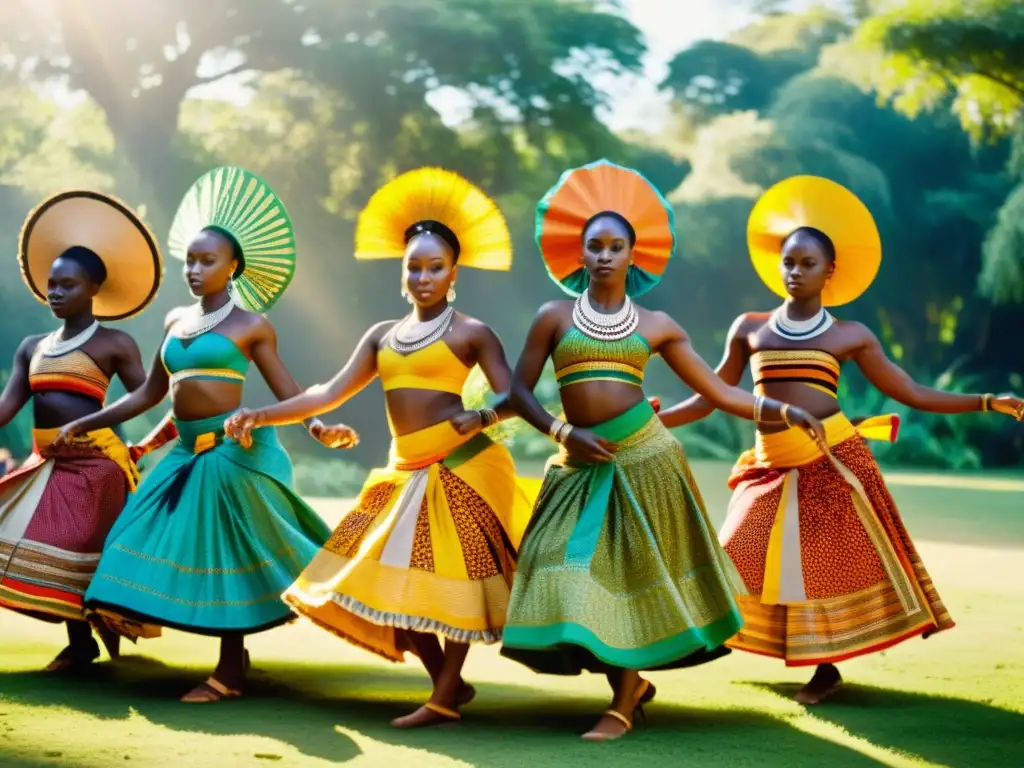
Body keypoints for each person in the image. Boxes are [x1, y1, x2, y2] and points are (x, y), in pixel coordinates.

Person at [658, 175, 1024, 705]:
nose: (795, 271)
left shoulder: (850, 335)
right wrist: (652, 421)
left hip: (830, 461)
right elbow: (712, 394)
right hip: (771, 463)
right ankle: (709, 641)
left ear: (830, 271)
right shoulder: (750, 327)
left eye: (807, 263)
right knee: (735, 550)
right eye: (788, 261)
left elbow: (913, 392)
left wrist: (989, 401)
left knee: (821, 569)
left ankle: (824, 669)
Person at [500, 160, 827, 742]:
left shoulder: (657, 324)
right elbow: (518, 390)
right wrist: (561, 432)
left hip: (646, 461)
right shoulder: (552, 317)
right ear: (579, 254)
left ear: (633, 256)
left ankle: (623, 701)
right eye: (594, 246)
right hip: (577, 464)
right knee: (560, 569)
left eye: (615, 246)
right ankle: (632, 686)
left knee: (626, 579)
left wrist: (785, 410)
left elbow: (720, 391)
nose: (603, 255)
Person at [225, 167, 534, 728]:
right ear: (401, 272)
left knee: (457, 581)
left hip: (461, 465)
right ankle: (451, 682)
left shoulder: (472, 332)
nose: (422, 276)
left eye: (434, 267)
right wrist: (259, 412)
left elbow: (517, 394)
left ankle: (442, 698)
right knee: (381, 580)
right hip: (402, 469)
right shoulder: (381, 335)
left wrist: (481, 415)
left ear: (453, 272)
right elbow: (326, 392)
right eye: (413, 267)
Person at [53, 166, 357, 702]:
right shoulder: (174, 321)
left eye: (206, 261)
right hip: (183, 455)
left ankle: (230, 673)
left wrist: (318, 424)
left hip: (235, 453)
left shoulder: (251, 324)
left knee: (227, 560)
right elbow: (150, 393)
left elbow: (289, 387)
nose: (194, 270)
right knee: (127, 537)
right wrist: (89, 420)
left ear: (232, 266)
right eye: (189, 260)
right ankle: (127, 621)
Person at [0, 190, 163, 671]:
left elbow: (149, 393)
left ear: (94, 288)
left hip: (96, 467)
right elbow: (8, 406)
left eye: (68, 285)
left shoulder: (114, 342)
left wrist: (155, 438)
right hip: (45, 464)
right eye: (51, 284)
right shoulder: (32, 346)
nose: (55, 292)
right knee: (38, 543)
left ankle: (86, 641)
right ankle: (86, 641)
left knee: (76, 547)